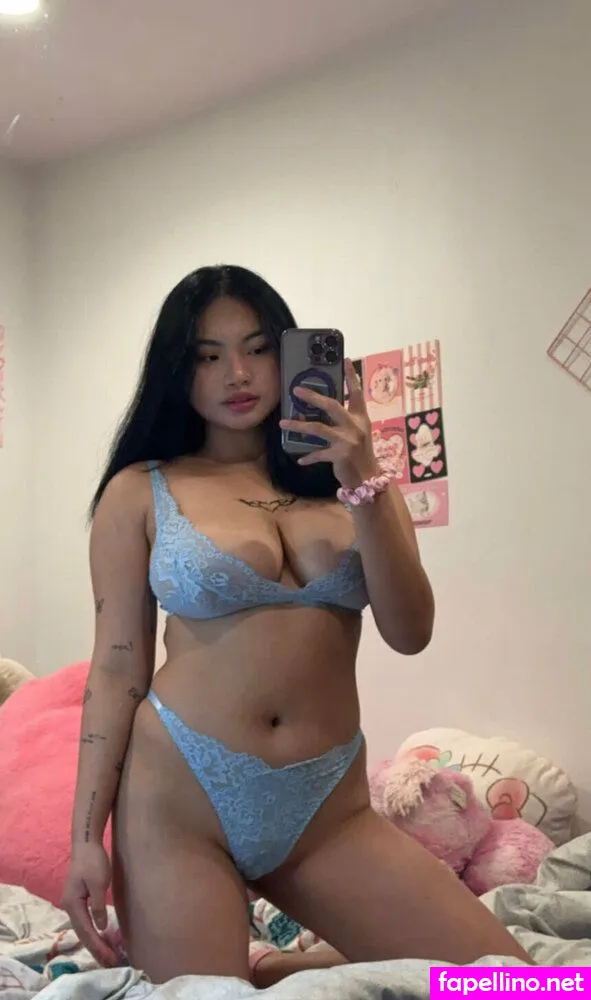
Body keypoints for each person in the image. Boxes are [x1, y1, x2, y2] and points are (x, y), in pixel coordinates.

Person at [61, 265, 530, 985]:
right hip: (177, 804)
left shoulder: (357, 486)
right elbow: (117, 666)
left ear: (288, 353)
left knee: (520, 984)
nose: (237, 374)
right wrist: (84, 839)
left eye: (257, 348)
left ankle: (279, 968)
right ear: (177, 370)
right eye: (208, 355)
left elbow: (410, 632)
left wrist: (362, 476)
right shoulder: (140, 490)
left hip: (326, 810)